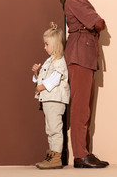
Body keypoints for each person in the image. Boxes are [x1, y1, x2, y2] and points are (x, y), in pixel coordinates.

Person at [60, 0, 109, 168]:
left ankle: (85, 152)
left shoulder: (77, 0)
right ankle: (80, 155)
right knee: (81, 108)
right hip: (80, 55)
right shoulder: (75, 0)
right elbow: (99, 23)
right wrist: (95, 23)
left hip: (84, 55)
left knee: (85, 108)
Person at [31, 22, 70, 169]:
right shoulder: (50, 60)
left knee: (55, 129)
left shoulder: (59, 61)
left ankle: (56, 157)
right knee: (50, 129)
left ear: (55, 44)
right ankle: (52, 156)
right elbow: (43, 78)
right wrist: (36, 74)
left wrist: (40, 87)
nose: (44, 47)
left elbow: (54, 80)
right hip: (48, 99)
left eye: (47, 44)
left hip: (54, 100)